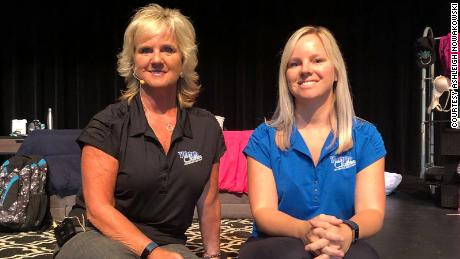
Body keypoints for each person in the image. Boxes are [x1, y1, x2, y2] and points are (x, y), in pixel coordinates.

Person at [55, 4, 225, 259]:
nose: (156, 59)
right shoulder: (109, 123)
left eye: (168, 49)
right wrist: (152, 253)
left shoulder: (207, 127)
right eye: (145, 50)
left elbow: (208, 202)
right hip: (97, 235)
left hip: (168, 243)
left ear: (183, 60)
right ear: (134, 62)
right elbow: (98, 210)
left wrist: (213, 256)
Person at [239, 26, 386, 259]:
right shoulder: (264, 137)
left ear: (336, 72)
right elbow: (263, 212)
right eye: (294, 63)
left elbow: (372, 211)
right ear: (285, 76)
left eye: (317, 60)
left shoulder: (366, 137)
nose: (305, 70)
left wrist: (346, 233)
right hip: (276, 242)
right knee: (295, 255)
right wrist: (304, 230)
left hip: (339, 239)